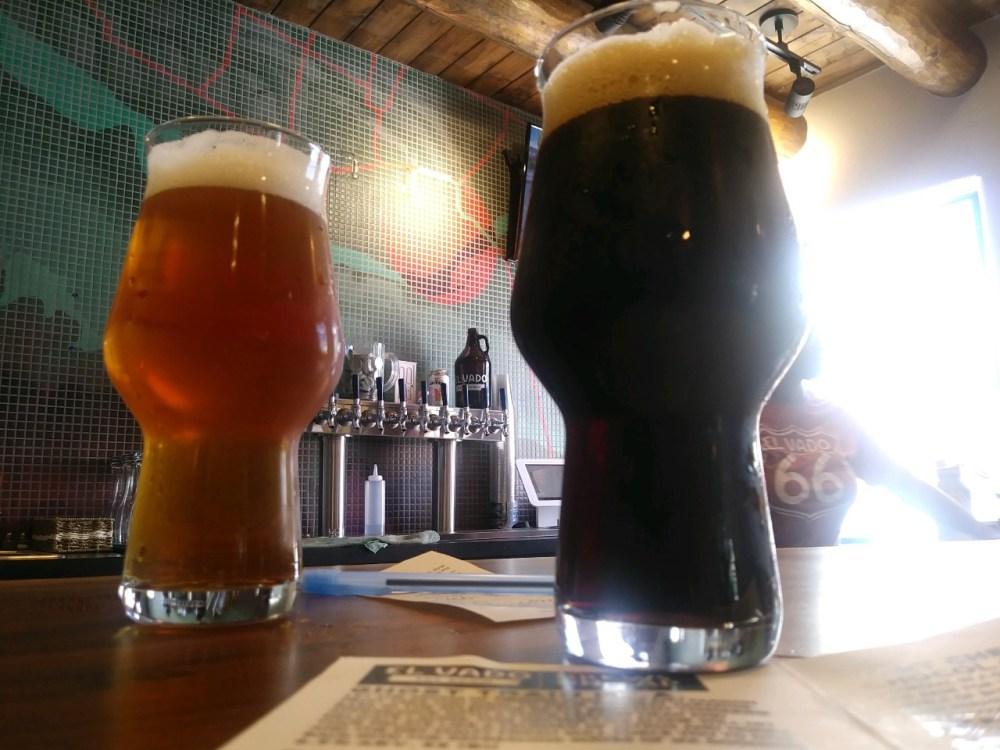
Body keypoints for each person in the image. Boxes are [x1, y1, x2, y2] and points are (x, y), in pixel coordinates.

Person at [759, 333, 998, 547]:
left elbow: (903, 483)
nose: (818, 341)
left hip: (819, 570)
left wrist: (979, 530)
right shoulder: (746, 419)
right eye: (806, 333)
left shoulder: (835, 416)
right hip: (757, 578)